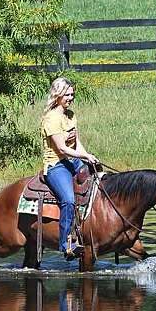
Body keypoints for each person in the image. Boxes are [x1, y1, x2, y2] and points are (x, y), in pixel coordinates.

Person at [41, 77, 99, 260]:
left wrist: (88, 156)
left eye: (72, 94)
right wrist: (84, 156)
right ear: (57, 95)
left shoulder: (71, 115)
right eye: (67, 94)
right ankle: (66, 244)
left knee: (98, 182)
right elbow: (62, 148)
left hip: (73, 160)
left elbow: (76, 144)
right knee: (68, 199)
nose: (71, 98)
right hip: (56, 165)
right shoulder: (51, 119)